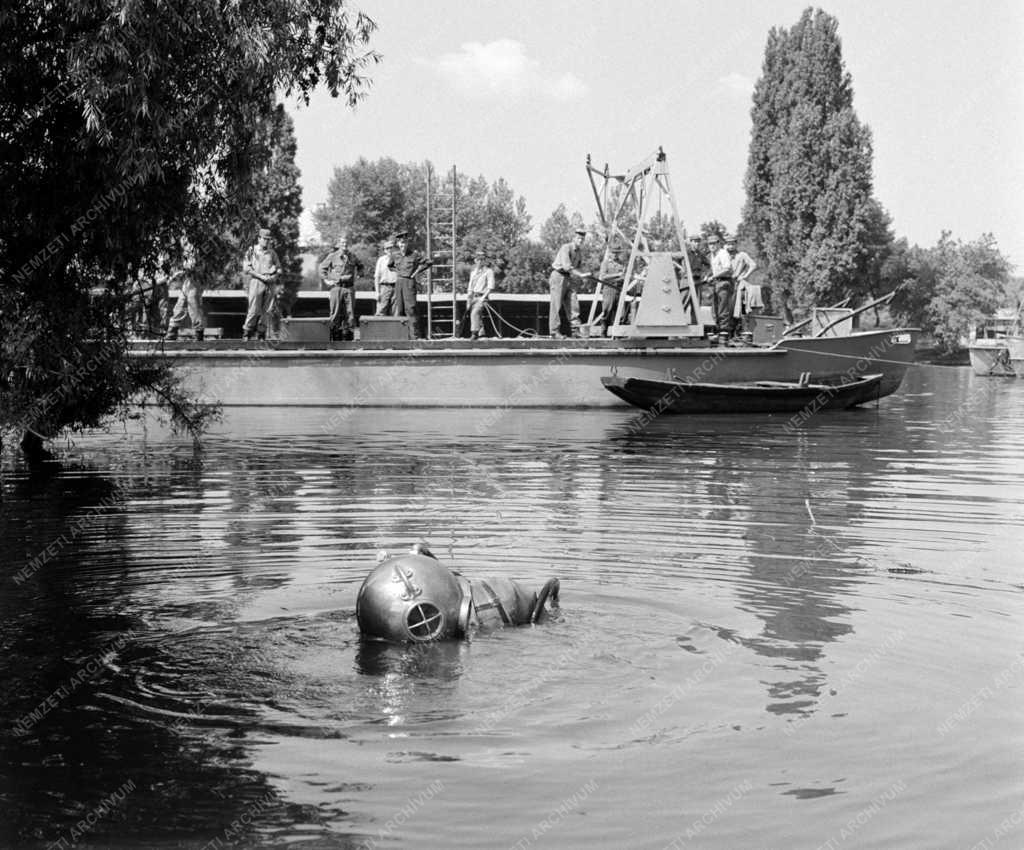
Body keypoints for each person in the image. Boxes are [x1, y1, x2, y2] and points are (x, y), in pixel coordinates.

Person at [319, 233, 364, 341]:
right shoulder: (333, 256)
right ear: (339, 244)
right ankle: (335, 338)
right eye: (343, 242)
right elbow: (322, 268)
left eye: (346, 242)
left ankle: (348, 337)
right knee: (335, 312)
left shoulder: (353, 256)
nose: (345, 244)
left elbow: (361, 266)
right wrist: (326, 281)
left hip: (349, 288)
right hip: (336, 287)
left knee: (350, 313)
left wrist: (360, 273)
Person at [548, 227, 591, 338]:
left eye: (582, 239)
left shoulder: (579, 253)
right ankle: (554, 332)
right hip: (558, 276)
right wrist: (581, 275)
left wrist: (585, 275)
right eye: (578, 238)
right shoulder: (566, 248)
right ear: (574, 238)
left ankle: (575, 330)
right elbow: (567, 267)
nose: (580, 241)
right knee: (556, 304)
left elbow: (579, 268)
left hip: (569, 278)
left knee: (573, 302)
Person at [390, 231, 432, 338]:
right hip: (399, 282)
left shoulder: (414, 254)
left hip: (409, 282)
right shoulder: (395, 255)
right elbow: (390, 265)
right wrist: (398, 272)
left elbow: (428, 262)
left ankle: (414, 336)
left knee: (411, 309)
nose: (402, 245)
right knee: (399, 309)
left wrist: (416, 272)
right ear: (398, 244)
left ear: (407, 243)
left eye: (404, 243)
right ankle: (400, 336)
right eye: (400, 243)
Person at [242, 228, 281, 341]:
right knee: (253, 309)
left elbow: (278, 268)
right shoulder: (251, 251)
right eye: (264, 239)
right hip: (256, 281)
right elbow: (247, 268)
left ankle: (261, 334)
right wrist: (261, 276)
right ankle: (247, 332)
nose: (266, 241)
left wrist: (274, 276)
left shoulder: (272, 253)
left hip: (270, 283)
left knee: (267, 310)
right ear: (259, 239)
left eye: (268, 240)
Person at [164, 248, 205, 341]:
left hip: (195, 281)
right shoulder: (183, 248)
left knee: (193, 306)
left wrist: (179, 273)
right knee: (180, 306)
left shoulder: (197, 249)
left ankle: (198, 333)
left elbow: (193, 266)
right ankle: (172, 332)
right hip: (187, 282)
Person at [726, 237, 761, 327]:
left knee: (737, 306)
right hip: (726, 283)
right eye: (728, 244)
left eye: (732, 244)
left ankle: (740, 326)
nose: (730, 246)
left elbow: (753, 265)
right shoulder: (724, 256)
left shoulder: (742, 255)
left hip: (737, 283)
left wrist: (745, 276)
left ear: (736, 245)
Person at [705, 233, 735, 336]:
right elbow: (712, 269)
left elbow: (727, 269)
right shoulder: (712, 255)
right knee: (715, 308)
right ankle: (718, 330)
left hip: (724, 282)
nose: (712, 246)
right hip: (716, 283)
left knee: (723, 308)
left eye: (714, 243)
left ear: (718, 243)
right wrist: (708, 275)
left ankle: (724, 331)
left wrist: (713, 276)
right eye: (710, 244)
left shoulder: (723, 253)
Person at [466, 251, 495, 340]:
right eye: (478, 259)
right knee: (476, 315)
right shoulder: (473, 272)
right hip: (473, 297)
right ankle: (481, 333)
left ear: (484, 261)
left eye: (482, 259)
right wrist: (468, 300)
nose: (480, 261)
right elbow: (470, 288)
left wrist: (483, 297)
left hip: (482, 296)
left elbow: (490, 287)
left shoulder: (488, 271)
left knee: (475, 313)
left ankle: (474, 333)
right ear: (475, 260)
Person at [596, 248, 626, 334]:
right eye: (613, 253)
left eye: (617, 253)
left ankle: (618, 334)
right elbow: (603, 276)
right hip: (609, 288)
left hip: (619, 289)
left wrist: (622, 277)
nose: (615, 255)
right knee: (607, 310)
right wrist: (617, 275)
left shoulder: (622, 264)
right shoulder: (605, 263)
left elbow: (624, 276)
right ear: (610, 254)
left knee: (621, 313)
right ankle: (603, 331)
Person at [375, 240, 398, 315]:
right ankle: (379, 326)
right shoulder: (381, 260)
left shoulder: (398, 259)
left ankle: (395, 327)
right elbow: (377, 277)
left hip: (396, 287)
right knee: (381, 310)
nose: (389, 250)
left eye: (391, 248)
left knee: (396, 311)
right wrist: (377, 292)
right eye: (387, 248)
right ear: (384, 250)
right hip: (384, 287)